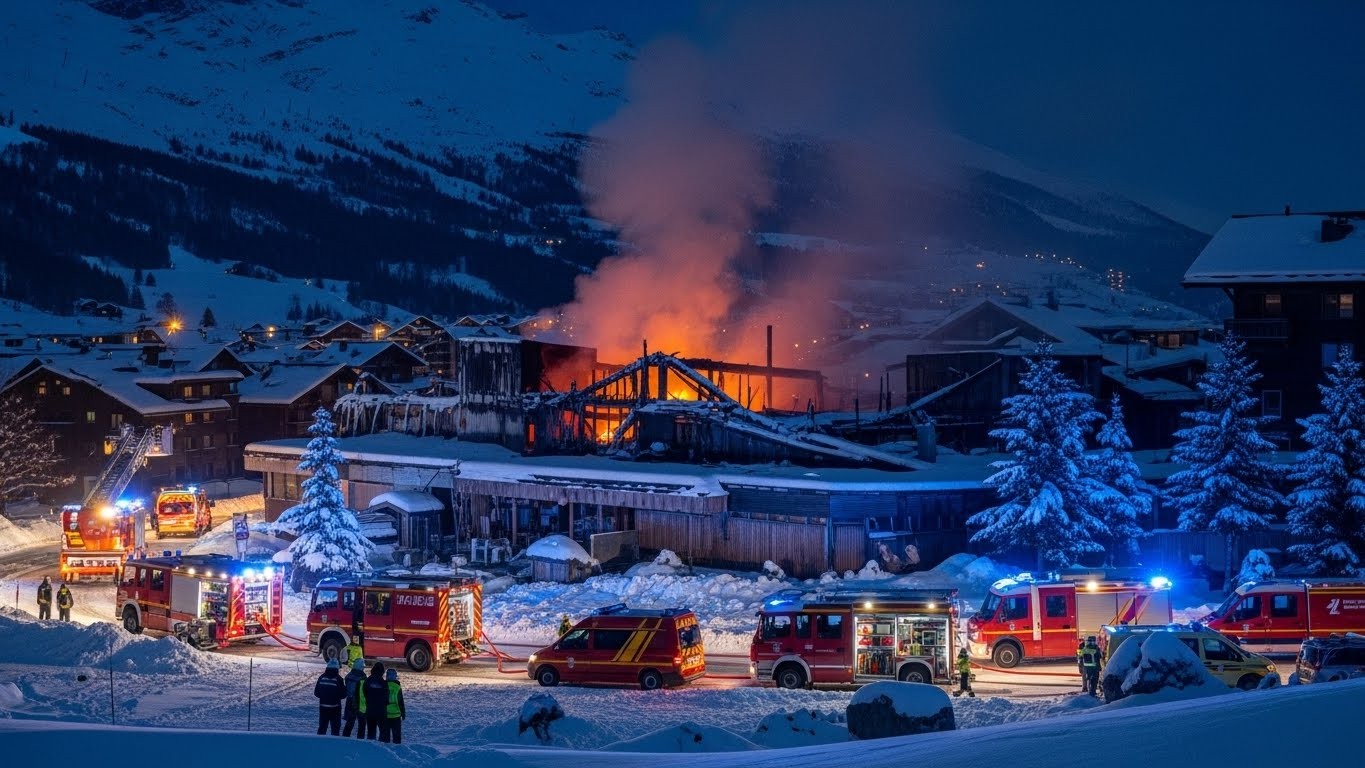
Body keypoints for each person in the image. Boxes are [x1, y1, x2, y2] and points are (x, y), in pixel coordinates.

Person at [313, 659, 346, 736]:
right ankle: (334, 742)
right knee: (335, 729)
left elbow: (316, 693)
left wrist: (324, 696)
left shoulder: (321, 677)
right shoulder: (339, 679)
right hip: (335, 708)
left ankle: (319, 741)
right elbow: (343, 695)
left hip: (323, 707)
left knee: (322, 728)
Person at [362, 662, 390, 742]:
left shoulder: (368, 681)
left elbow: (365, 692)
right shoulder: (383, 683)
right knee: (383, 731)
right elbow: (386, 697)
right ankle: (381, 745)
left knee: (371, 731)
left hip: (370, 709)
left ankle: (371, 745)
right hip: (381, 710)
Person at [342, 658, 366, 738]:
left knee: (350, 721)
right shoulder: (362, 677)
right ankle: (360, 738)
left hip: (350, 700)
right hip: (359, 701)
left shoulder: (349, 676)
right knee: (361, 723)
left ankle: (345, 736)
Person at [384, 667, 406, 744]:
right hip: (396, 715)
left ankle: (386, 749)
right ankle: (397, 749)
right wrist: (403, 713)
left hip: (385, 714)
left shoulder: (383, 685)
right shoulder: (397, 687)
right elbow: (401, 702)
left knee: (385, 737)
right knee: (397, 737)